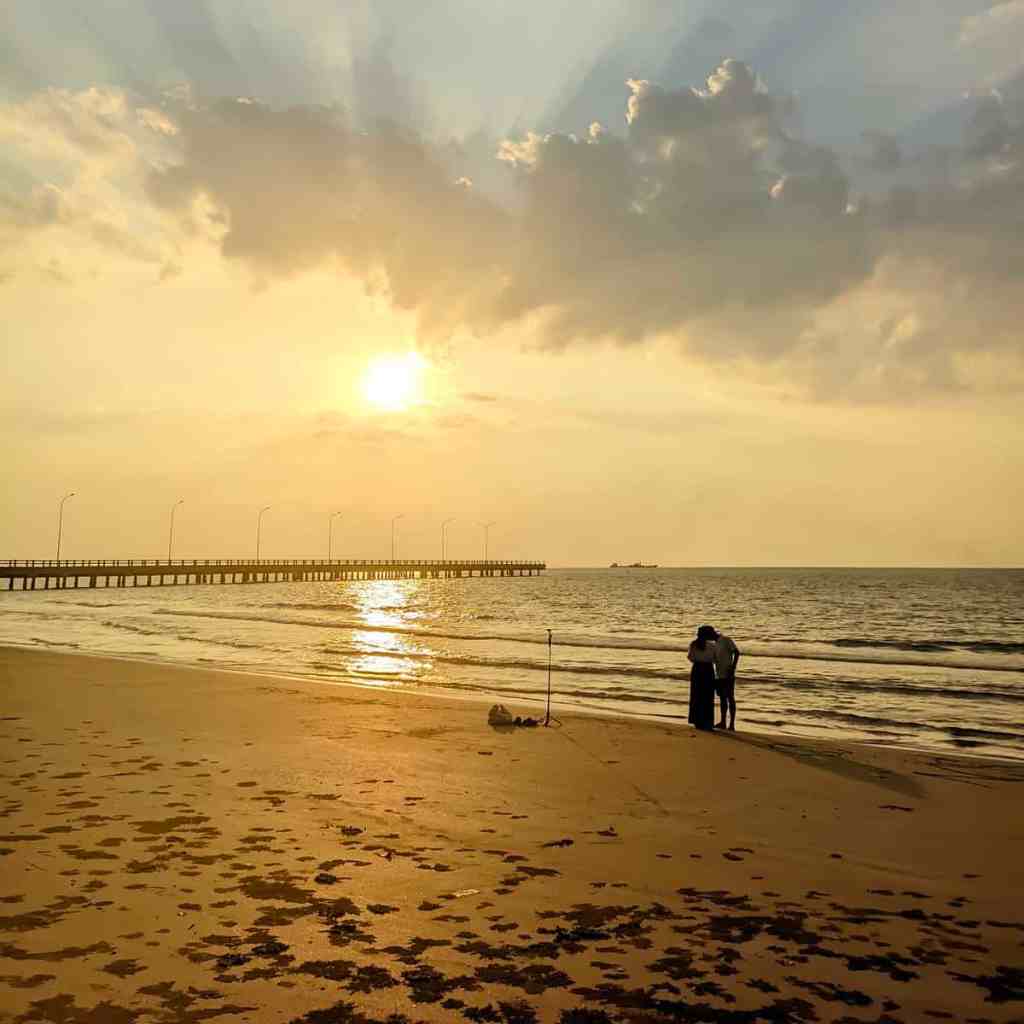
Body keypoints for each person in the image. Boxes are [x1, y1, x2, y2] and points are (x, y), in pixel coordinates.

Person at [687, 625, 718, 731]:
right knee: (708, 696)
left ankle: (697, 720)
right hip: (708, 670)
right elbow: (715, 659)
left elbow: (690, 657)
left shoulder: (694, 644)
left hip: (697, 669)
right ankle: (707, 722)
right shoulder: (712, 646)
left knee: (696, 695)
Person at [712, 628, 740, 731]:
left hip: (728, 674)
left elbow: (736, 652)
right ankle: (723, 722)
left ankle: (732, 724)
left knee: (730, 697)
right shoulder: (714, 645)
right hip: (719, 674)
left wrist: (733, 667)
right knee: (723, 698)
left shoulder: (726, 640)